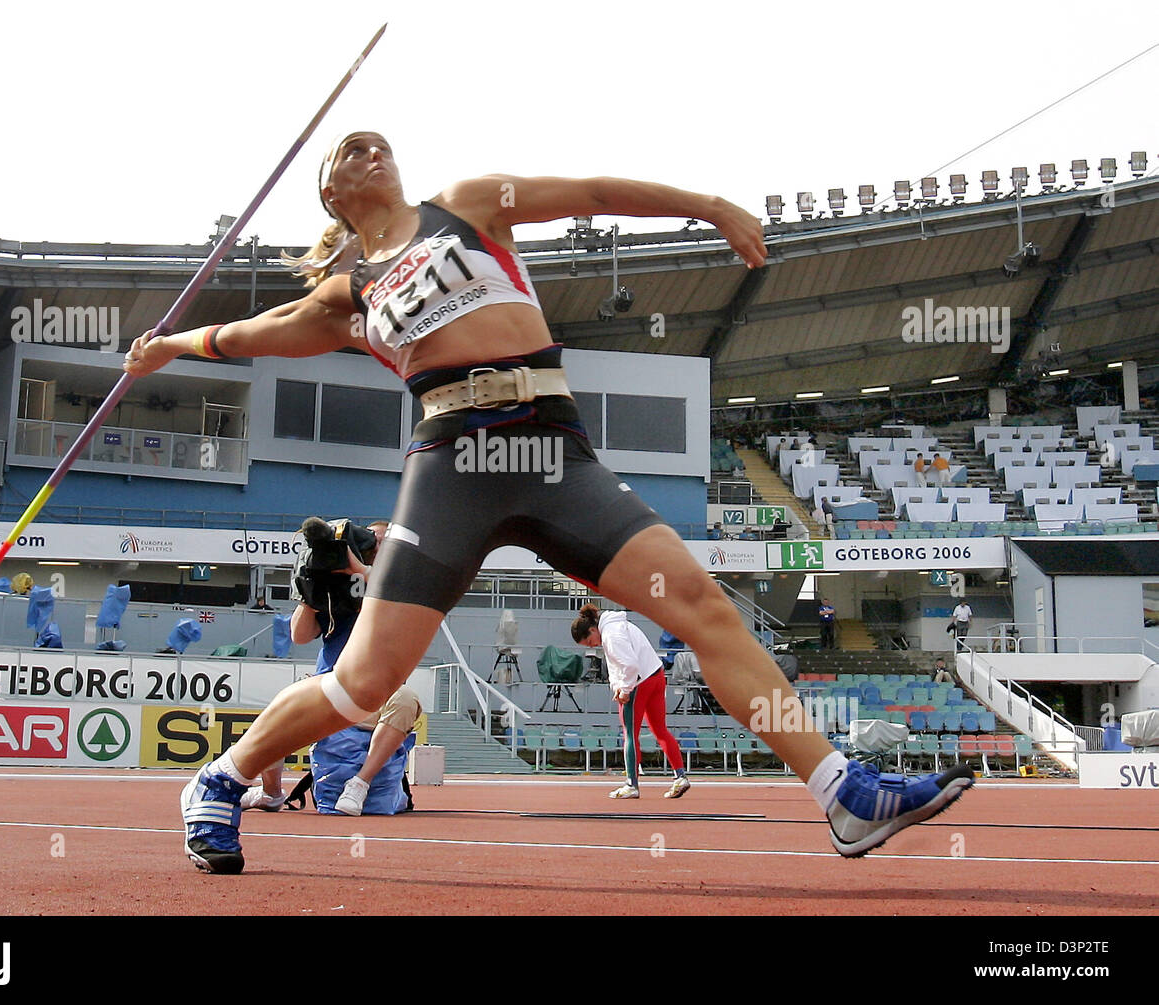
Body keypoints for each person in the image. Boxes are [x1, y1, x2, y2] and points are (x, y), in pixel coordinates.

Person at [130, 131, 973, 873]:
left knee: (700, 606)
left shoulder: (463, 207)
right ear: (332, 194)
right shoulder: (348, 294)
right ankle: (224, 775)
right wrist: (167, 344)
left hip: (552, 447)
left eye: (378, 142)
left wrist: (707, 204)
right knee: (365, 680)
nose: (371, 150)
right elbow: (251, 332)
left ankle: (844, 793)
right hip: (453, 459)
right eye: (349, 151)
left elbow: (595, 193)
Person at [240, 520, 421, 817]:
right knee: (280, 708)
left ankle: (360, 784)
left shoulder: (400, 582)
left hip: (376, 693)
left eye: (381, 541)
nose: (374, 545)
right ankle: (271, 793)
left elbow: (388, 590)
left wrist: (359, 570)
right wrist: (311, 592)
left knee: (405, 699)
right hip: (331, 686)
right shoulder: (335, 588)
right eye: (371, 539)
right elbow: (299, 636)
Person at [572, 604, 689, 799]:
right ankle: (680, 775)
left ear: (593, 629)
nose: (593, 645)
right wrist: (618, 685)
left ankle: (631, 784)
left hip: (639, 683)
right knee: (660, 730)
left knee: (630, 734)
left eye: (590, 642)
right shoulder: (620, 625)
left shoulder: (610, 636)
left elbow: (629, 665)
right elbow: (620, 665)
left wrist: (624, 689)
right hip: (656, 675)